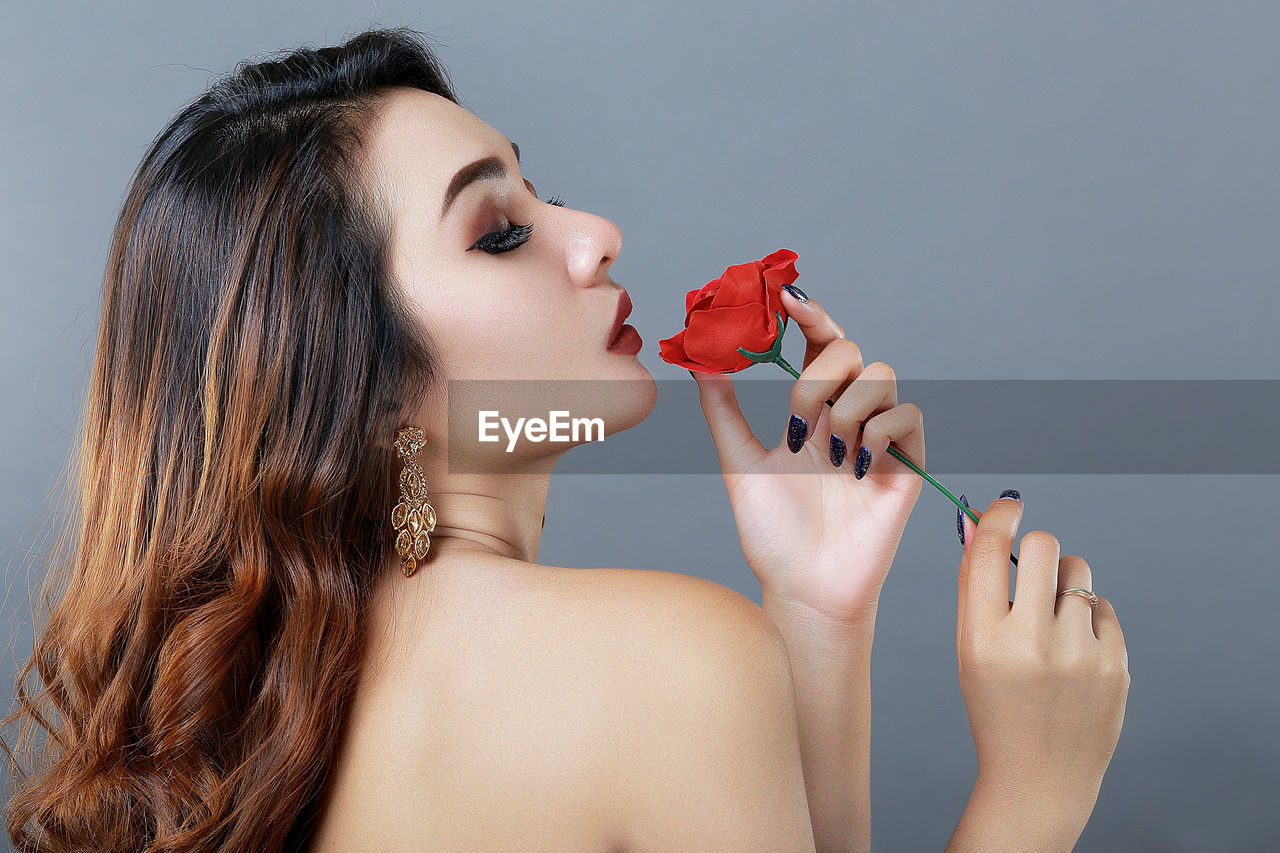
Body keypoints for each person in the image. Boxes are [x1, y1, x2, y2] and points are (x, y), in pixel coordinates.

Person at [1, 26, 1129, 853]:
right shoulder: (658, 662)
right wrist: (1032, 797)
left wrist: (817, 610)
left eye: (541, 196)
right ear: (354, 366)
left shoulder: (265, 724)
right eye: (498, 233)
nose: (595, 235)